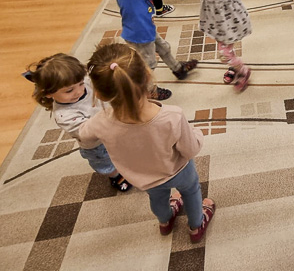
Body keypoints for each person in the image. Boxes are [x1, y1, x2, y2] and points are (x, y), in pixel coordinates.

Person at [79, 43, 215, 239]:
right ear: (148, 76)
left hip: (143, 178)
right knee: (191, 191)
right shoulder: (172, 116)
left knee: (157, 198)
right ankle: (196, 226)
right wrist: (197, 133)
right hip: (178, 171)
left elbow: (83, 134)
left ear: (99, 93)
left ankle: (165, 221)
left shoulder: (100, 122)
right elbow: (190, 149)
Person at [102, 0, 198, 101]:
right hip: (140, 34)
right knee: (148, 65)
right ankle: (149, 90)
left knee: (164, 48)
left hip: (145, 26)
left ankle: (178, 68)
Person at [24, 53, 131, 192]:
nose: (79, 91)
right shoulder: (64, 115)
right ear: (48, 93)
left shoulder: (84, 81)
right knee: (105, 162)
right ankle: (115, 176)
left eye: (80, 83)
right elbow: (87, 132)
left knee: (125, 150)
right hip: (97, 145)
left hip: (114, 127)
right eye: (69, 91)